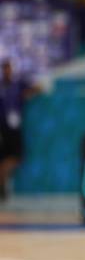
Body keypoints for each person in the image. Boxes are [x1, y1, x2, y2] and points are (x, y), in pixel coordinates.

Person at [0, 61, 36, 200]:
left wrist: (26, 94)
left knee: (15, 158)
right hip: (6, 128)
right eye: (5, 69)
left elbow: (35, 88)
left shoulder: (17, 84)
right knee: (13, 157)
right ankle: (2, 180)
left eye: (9, 68)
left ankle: (2, 179)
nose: (7, 71)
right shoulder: (3, 87)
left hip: (14, 127)